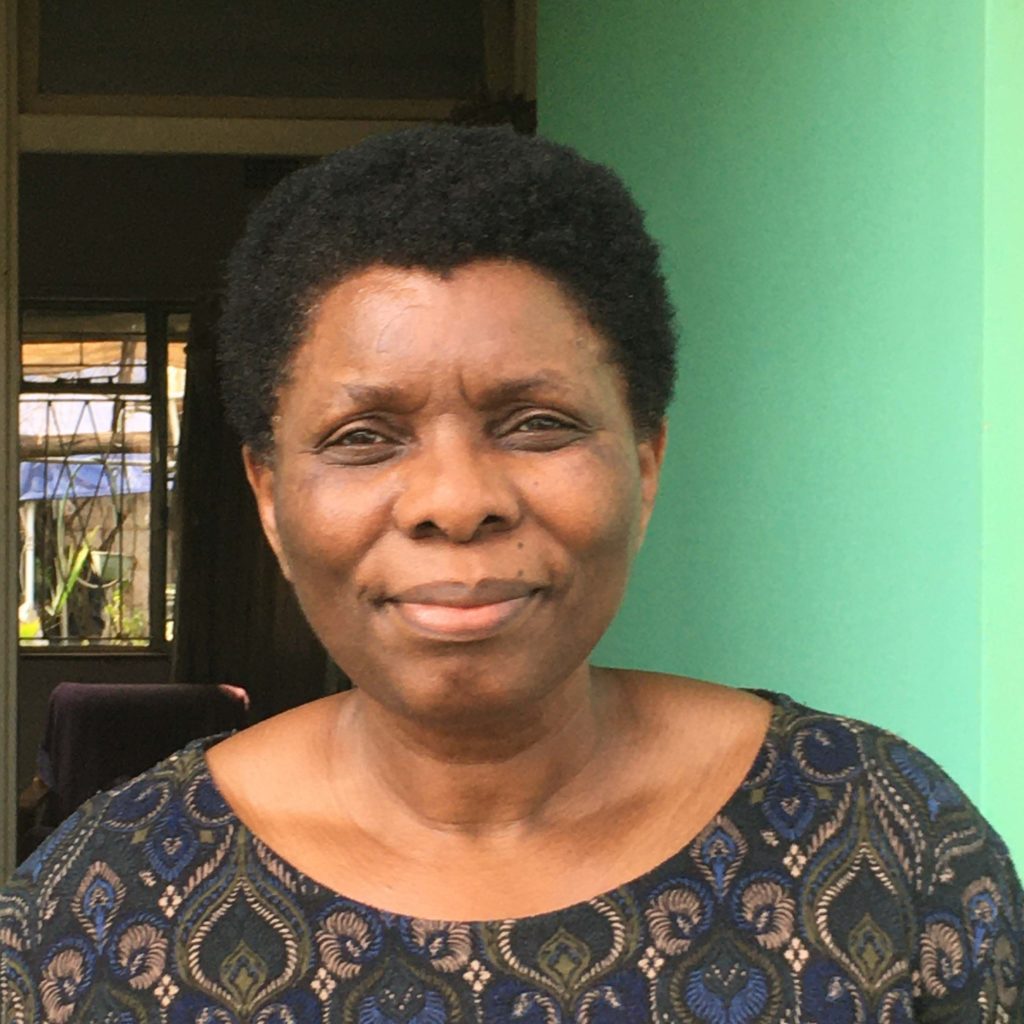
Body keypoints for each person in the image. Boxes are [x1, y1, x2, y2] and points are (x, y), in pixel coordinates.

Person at [2, 126, 1020, 1023]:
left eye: (537, 423)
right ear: (268, 494)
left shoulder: (885, 843)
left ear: (646, 461)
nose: (454, 498)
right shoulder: (97, 907)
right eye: (363, 436)